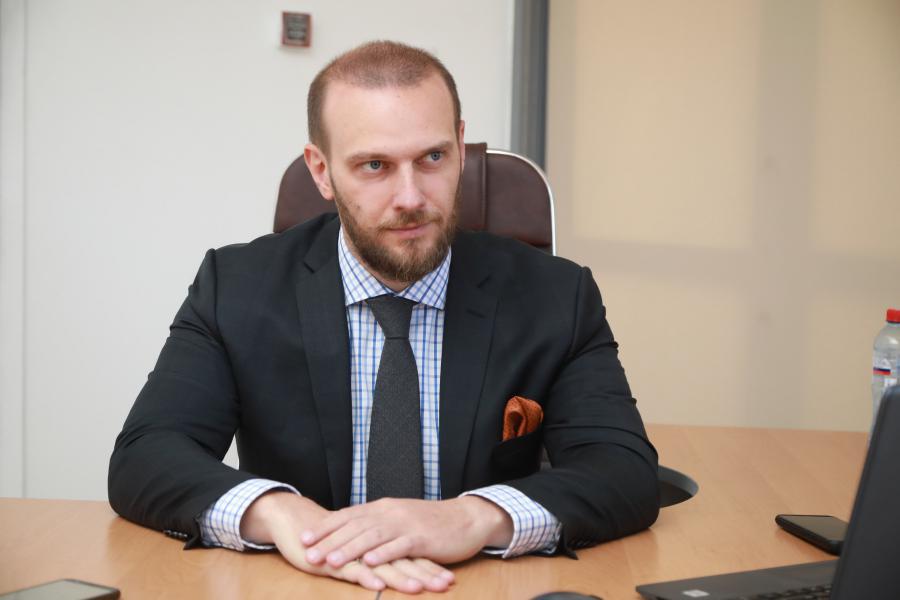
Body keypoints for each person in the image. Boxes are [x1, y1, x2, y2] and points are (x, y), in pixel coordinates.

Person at [108, 40, 659, 594]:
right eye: (375, 165)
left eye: (433, 158)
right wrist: (280, 514)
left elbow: (623, 470)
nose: (410, 197)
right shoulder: (235, 288)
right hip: (303, 586)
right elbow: (146, 455)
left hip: (478, 585)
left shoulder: (556, 295)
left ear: (460, 147)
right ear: (322, 171)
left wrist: (473, 518)